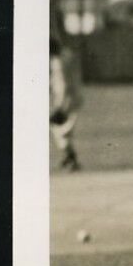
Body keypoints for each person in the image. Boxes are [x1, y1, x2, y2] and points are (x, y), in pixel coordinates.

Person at [49, 32, 84, 171]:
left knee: (58, 128)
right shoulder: (67, 57)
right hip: (74, 98)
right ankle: (70, 157)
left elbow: (62, 85)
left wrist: (59, 106)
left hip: (66, 102)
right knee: (62, 131)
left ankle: (71, 158)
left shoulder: (58, 62)